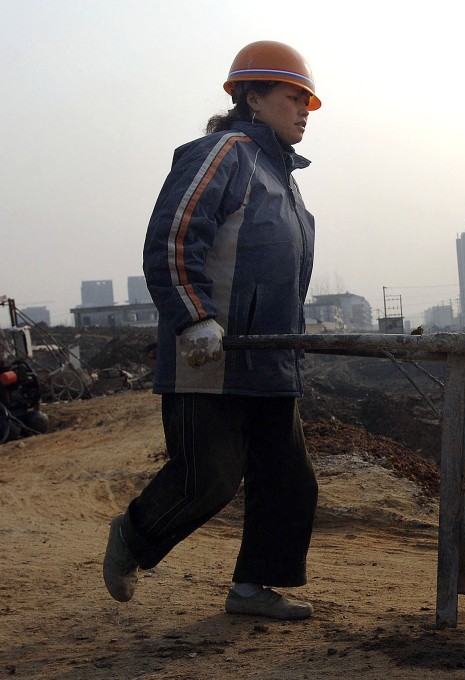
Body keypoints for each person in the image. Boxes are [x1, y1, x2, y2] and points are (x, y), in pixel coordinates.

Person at [103, 40, 321, 620]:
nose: (305, 109)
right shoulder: (223, 153)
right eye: (293, 95)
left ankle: (252, 588)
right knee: (209, 479)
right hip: (211, 357)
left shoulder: (283, 179)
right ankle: (134, 536)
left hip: (271, 360)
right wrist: (196, 317)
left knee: (290, 482)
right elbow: (173, 238)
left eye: (308, 100)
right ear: (252, 96)